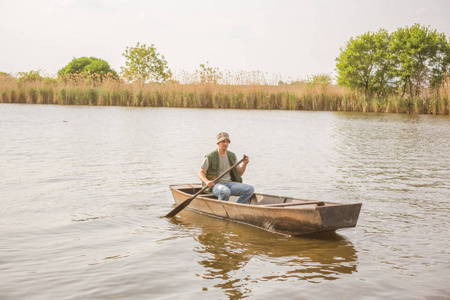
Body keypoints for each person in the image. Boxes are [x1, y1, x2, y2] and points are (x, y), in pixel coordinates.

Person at [198, 132, 254, 204]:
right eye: (223, 142)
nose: (225, 144)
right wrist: (206, 181)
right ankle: (221, 210)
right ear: (218, 143)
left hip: (229, 184)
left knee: (249, 189)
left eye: (227, 142)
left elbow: (239, 173)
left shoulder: (232, 156)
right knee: (225, 191)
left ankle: (237, 207)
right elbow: (200, 172)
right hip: (215, 185)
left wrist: (245, 164)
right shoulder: (210, 156)